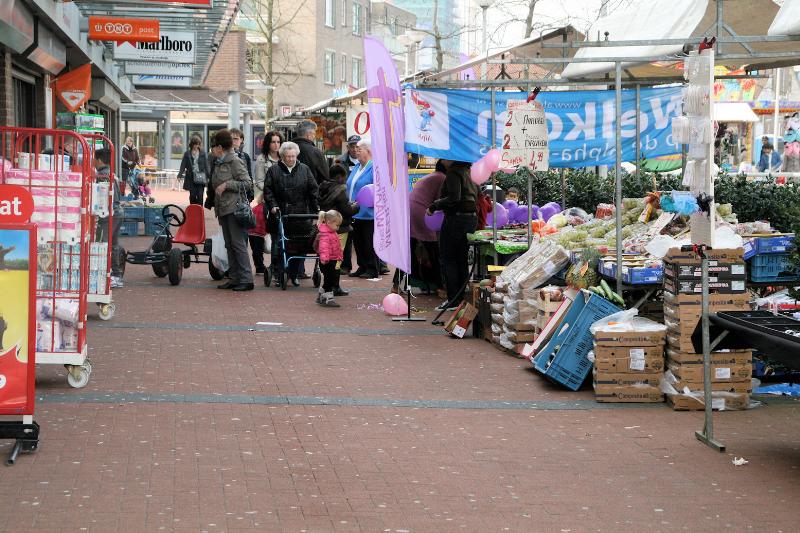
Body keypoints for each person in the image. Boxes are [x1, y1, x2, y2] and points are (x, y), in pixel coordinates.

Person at [204, 129, 255, 291]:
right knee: (229, 244)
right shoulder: (219, 161)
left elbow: (247, 183)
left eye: (213, 147)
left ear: (220, 147)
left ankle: (246, 279)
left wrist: (227, 185)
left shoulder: (234, 161)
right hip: (223, 209)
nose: (212, 150)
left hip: (234, 208)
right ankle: (234, 277)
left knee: (238, 244)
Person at [263, 141, 319, 286]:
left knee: (300, 246)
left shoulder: (305, 169)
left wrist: (316, 208)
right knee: (280, 246)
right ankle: (278, 273)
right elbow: (268, 191)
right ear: (282, 156)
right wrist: (273, 206)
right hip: (281, 214)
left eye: (293, 156)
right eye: (288, 156)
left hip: (301, 215)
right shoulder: (274, 170)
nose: (291, 159)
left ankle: (294, 274)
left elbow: (313, 190)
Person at [428, 159, 478, 310]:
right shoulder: (469, 171)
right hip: (470, 219)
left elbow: (453, 198)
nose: (441, 160)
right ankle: (460, 298)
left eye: (443, 157)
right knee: (461, 260)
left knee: (449, 259)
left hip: (456, 219)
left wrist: (434, 205)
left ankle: (453, 299)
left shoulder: (454, 173)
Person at [393, 161, 447, 294]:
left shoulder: (432, 176)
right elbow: (441, 202)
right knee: (433, 250)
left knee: (408, 251)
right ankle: (440, 287)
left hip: (411, 211)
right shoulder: (442, 178)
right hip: (422, 213)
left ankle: (395, 286)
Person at [319, 164, 359, 296]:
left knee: (330, 257)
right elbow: (346, 211)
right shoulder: (340, 190)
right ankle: (334, 286)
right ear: (340, 177)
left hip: (326, 226)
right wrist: (356, 207)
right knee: (337, 258)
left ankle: (330, 285)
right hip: (340, 228)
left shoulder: (323, 187)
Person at [345, 139, 379, 279]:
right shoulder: (357, 167)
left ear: (369, 151)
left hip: (368, 212)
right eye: (355, 149)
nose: (356, 151)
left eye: (360, 149)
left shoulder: (374, 167)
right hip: (355, 211)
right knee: (358, 241)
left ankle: (372, 268)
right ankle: (362, 266)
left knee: (368, 242)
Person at [93, 148, 125, 289]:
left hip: (108, 214)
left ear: (99, 160)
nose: (92, 162)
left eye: (94, 159)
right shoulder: (112, 174)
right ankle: (116, 276)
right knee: (113, 245)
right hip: (118, 212)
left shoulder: (102, 176)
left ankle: (106, 275)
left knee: (103, 245)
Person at [315, 210, 345, 308]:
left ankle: (322, 294)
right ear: (329, 223)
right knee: (330, 280)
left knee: (330, 279)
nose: (338, 227)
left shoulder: (332, 232)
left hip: (333, 260)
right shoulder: (325, 234)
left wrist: (339, 257)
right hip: (327, 261)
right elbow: (323, 248)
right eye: (337, 225)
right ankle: (328, 298)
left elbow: (337, 247)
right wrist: (324, 258)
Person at [293, 120, 329, 184]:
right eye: (314, 134)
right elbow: (326, 176)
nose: (314, 137)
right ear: (308, 135)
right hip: (311, 191)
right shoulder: (316, 152)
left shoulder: (286, 149)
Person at [179, 135, 210, 205]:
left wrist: (209, 177)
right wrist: (179, 175)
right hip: (191, 178)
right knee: (192, 196)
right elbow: (183, 165)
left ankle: (199, 212)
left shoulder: (203, 153)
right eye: (195, 144)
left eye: (198, 144)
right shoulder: (187, 154)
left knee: (200, 196)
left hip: (201, 177)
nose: (196, 146)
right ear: (192, 144)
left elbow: (206, 165)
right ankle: (193, 209)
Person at [254, 130, 283, 198]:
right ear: (268, 143)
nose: (276, 144)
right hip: (267, 197)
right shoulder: (261, 159)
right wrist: (272, 191)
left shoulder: (284, 158)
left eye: (278, 142)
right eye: (273, 142)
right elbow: (259, 181)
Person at [248, 194, 268, 274]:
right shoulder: (266, 209)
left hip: (251, 233)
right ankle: (260, 267)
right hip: (260, 233)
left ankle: (258, 266)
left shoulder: (255, 208)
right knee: (259, 251)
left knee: (255, 251)